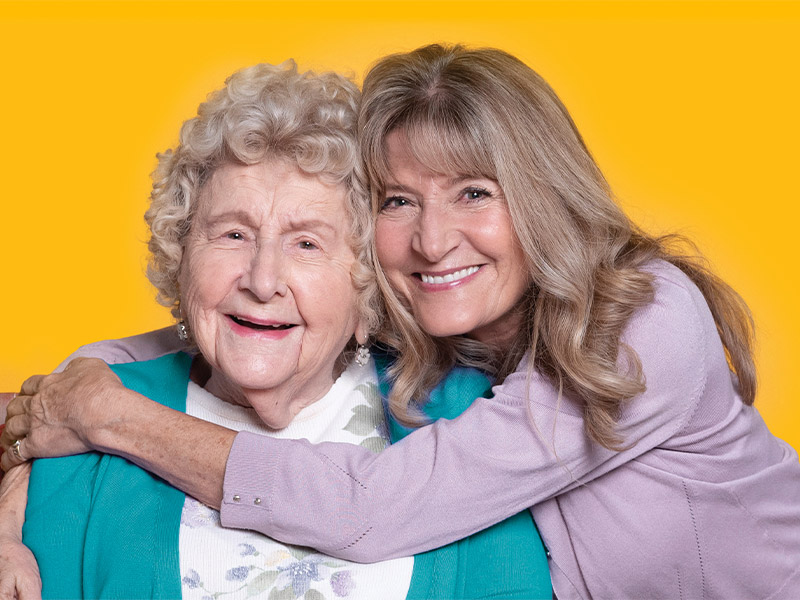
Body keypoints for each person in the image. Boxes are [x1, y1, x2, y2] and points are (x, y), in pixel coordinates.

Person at [4, 43, 800, 598]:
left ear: (543, 197)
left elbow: (371, 507)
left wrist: (110, 415)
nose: (431, 238)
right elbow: (211, 330)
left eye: (474, 193)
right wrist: (46, 438)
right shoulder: (438, 325)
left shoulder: (641, 322)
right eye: (398, 201)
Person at [0, 57, 551, 600]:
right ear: (180, 256)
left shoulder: (465, 420)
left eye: (307, 243)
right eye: (232, 235)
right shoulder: (75, 423)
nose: (263, 281)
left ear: (367, 287)